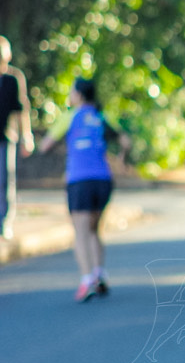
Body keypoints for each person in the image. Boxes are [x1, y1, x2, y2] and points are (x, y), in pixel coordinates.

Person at [38, 78, 129, 302]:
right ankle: (99, 274)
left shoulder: (69, 117)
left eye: (71, 91)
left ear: (78, 95)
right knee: (94, 229)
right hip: (103, 180)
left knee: (80, 232)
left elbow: (44, 146)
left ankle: (87, 280)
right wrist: (122, 159)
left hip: (79, 181)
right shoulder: (101, 116)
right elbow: (125, 141)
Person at [0, 36, 34, 240]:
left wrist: (26, 136)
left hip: (6, 137)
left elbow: (21, 110)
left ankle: (4, 222)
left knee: (5, 180)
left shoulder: (13, 79)